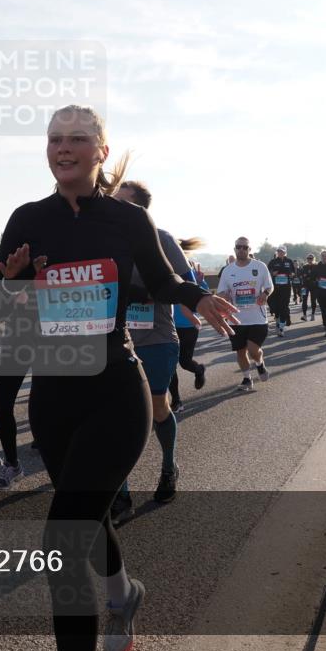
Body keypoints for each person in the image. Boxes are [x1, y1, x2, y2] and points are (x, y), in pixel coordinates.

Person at [0, 105, 238, 651]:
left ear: (101, 151)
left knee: (62, 536)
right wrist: (9, 280)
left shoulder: (127, 221)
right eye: (55, 138)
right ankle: (123, 595)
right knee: (88, 511)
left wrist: (197, 296)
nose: (63, 147)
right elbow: (1, 301)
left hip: (114, 388)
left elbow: (163, 277)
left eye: (78, 138)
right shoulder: (27, 218)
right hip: (55, 392)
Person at [110, 181, 191, 520]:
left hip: (156, 338)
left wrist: (148, 294)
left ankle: (169, 466)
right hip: (116, 340)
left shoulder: (163, 239)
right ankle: (122, 494)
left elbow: (184, 283)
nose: (112, 207)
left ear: (139, 210)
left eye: (121, 203)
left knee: (158, 408)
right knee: (115, 419)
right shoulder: (105, 241)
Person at [217, 237, 273, 391]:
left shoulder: (260, 267)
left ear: (249, 249)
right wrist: (224, 296)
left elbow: (269, 286)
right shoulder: (228, 270)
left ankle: (260, 364)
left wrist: (265, 294)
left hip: (257, 318)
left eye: (245, 247)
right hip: (236, 319)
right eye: (238, 247)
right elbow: (220, 290)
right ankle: (247, 379)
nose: (241, 250)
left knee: (253, 350)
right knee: (240, 351)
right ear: (234, 249)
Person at [167, 244, 208, 415]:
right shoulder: (164, 278)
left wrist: (199, 284)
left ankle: (199, 369)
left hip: (189, 327)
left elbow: (203, 302)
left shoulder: (195, 279)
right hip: (169, 327)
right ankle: (176, 400)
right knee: (170, 366)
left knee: (184, 362)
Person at [266, 247, 296, 337]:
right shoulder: (273, 262)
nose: (280, 253)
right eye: (279, 252)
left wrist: (291, 275)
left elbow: (294, 273)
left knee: (284, 307)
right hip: (275, 288)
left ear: (285, 253)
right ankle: (278, 322)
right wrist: (272, 273)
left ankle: (281, 328)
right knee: (276, 308)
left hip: (286, 288)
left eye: (282, 252)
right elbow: (268, 273)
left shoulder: (289, 261)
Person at [298, 254, 318, 321]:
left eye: (311, 258)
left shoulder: (316, 266)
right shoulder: (304, 266)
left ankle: (313, 314)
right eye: (308, 258)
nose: (309, 260)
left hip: (314, 285)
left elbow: (316, 276)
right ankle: (304, 315)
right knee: (304, 300)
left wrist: (308, 276)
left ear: (314, 259)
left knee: (313, 300)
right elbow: (301, 276)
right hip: (305, 285)